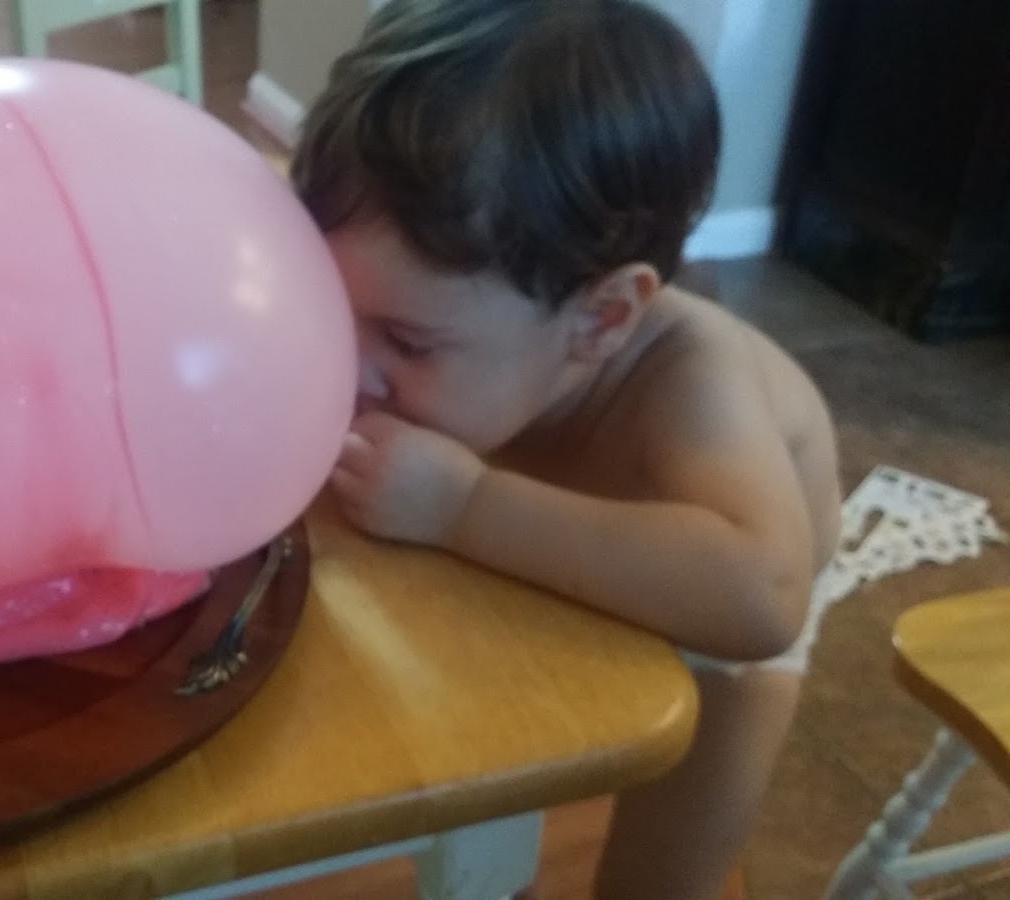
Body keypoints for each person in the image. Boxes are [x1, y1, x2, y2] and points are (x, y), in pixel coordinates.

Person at [290, 1, 843, 897]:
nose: (351, 367)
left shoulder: (692, 380)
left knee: (657, 885)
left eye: (409, 341)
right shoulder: (477, 329)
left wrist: (465, 506)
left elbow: (763, 592)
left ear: (601, 319)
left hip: (710, 633)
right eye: (332, 303)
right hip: (534, 549)